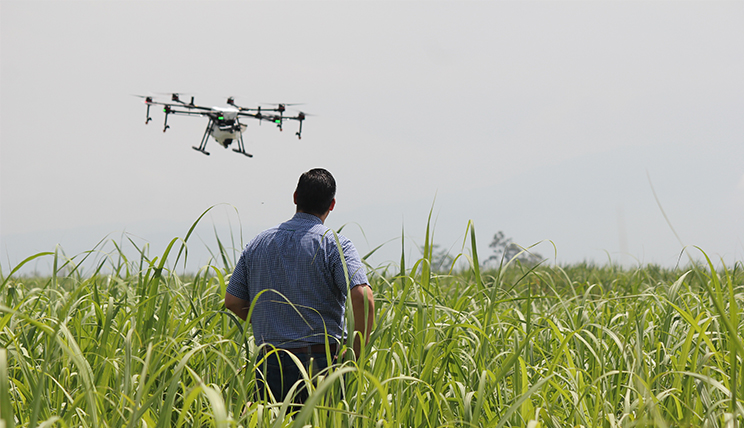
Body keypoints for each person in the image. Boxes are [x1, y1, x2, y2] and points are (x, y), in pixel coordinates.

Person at [224, 168, 375, 405]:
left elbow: (232, 301)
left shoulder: (257, 244)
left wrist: (271, 319)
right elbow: (363, 297)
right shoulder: (335, 245)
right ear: (332, 204)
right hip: (321, 361)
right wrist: (354, 353)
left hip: (270, 359)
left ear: (295, 197)